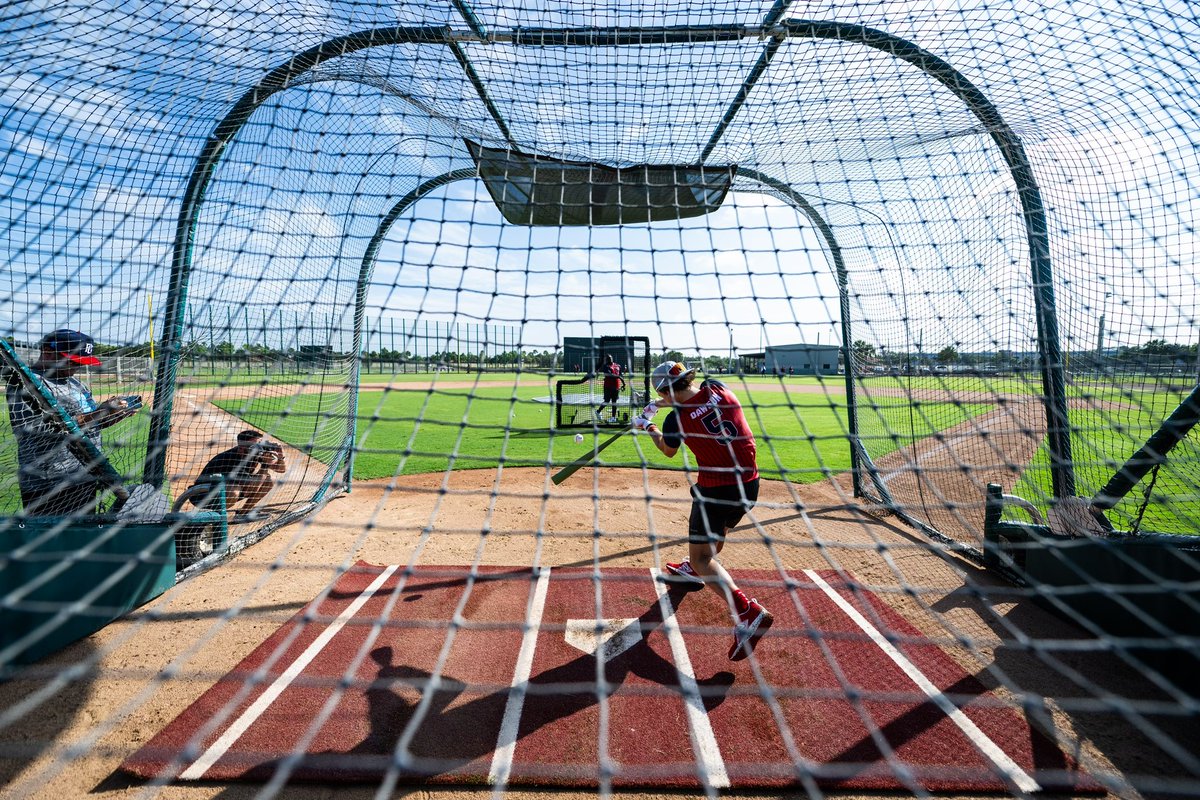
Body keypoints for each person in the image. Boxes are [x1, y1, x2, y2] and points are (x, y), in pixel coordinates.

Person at [633, 360, 772, 661]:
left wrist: (648, 425)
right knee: (716, 533)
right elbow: (692, 400)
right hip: (749, 484)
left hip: (715, 489)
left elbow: (668, 450)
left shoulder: (676, 421)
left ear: (666, 391)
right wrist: (662, 403)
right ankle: (695, 570)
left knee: (702, 557)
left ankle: (746, 611)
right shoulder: (717, 388)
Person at [6, 329, 140, 516]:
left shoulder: (76, 384)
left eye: (80, 362)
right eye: (72, 361)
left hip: (85, 476)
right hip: (49, 484)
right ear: (48, 351)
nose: (76, 367)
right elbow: (37, 430)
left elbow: (87, 426)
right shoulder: (27, 383)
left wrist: (109, 416)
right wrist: (98, 413)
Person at [188, 429, 286, 521]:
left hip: (221, 492)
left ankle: (243, 514)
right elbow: (249, 490)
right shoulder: (231, 459)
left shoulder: (254, 452)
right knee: (234, 490)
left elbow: (281, 470)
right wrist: (265, 465)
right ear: (242, 448)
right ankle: (211, 518)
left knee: (270, 480)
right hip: (202, 496)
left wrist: (280, 456)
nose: (259, 447)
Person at [599, 354, 626, 424]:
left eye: (610, 358)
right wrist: (620, 378)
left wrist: (623, 384)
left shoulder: (618, 366)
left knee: (614, 402)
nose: (609, 359)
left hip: (616, 387)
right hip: (608, 387)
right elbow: (610, 375)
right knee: (607, 401)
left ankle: (613, 418)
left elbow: (621, 375)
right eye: (607, 358)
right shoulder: (605, 366)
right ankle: (598, 411)